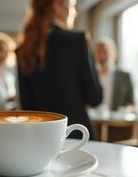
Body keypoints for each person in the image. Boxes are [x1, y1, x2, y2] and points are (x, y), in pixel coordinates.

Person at [17, 0, 102, 140]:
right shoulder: (77, 40)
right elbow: (94, 97)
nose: (75, 12)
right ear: (57, 5)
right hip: (76, 133)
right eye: (73, 6)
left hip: (40, 137)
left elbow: (27, 105)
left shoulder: (24, 49)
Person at [95, 38, 134, 111]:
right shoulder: (91, 76)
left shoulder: (125, 77)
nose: (102, 55)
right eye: (98, 51)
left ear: (114, 54)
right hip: (93, 121)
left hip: (116, 121)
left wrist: (126, 110)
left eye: (105, 51)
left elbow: (131, 104)